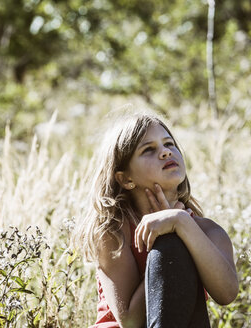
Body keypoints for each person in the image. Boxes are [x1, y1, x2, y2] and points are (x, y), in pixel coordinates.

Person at [73, 111, 239, 328]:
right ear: (126, 179)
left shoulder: (207, 231)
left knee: (176, 247)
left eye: (169, 144)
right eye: (148, 149)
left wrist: (182, 224)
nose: (165, 152)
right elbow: (130, 321)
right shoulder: (113, 230)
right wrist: (168, 238)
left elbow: (227, 294)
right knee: (171, 248)